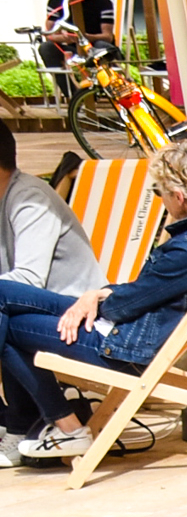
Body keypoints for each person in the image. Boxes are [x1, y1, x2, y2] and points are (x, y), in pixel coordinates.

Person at [1, 143, 187, 463]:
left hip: (120, 344)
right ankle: (35, 423)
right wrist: (94, 295)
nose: (160, 199)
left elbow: (124, 306)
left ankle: (65, 427)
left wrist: (95, 298)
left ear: (179, 197)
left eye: (158, 191)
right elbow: (142, 293)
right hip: (119, 327)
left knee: (9, 326)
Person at [0, 123, 107, 463]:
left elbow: (27, 280)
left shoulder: (29, 200)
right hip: (28, 311)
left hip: (76, 314)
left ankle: (24, 424)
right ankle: (21, 423)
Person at [38, 0, 115, 96]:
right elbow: (49, 34)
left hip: (94, 46)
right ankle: (73, 96)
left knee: (103, 46)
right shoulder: (57, 0)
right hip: (70, 48)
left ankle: (104, 92)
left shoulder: (102, 2)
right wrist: (65, 38)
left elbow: (107, 36)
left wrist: (85, 37)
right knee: (46, 48)